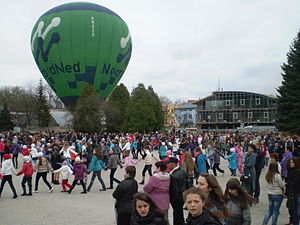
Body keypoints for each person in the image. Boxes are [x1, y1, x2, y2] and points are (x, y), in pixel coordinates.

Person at [168, 157, 188, 225]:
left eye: (168, 163)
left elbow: (174, 191)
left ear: (173, 164)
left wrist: (172, 200)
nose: (167, 165)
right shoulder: (182, 171)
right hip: (183, 195)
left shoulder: (173, 176)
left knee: (177, 215)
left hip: (177, 198)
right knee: (179, 214)